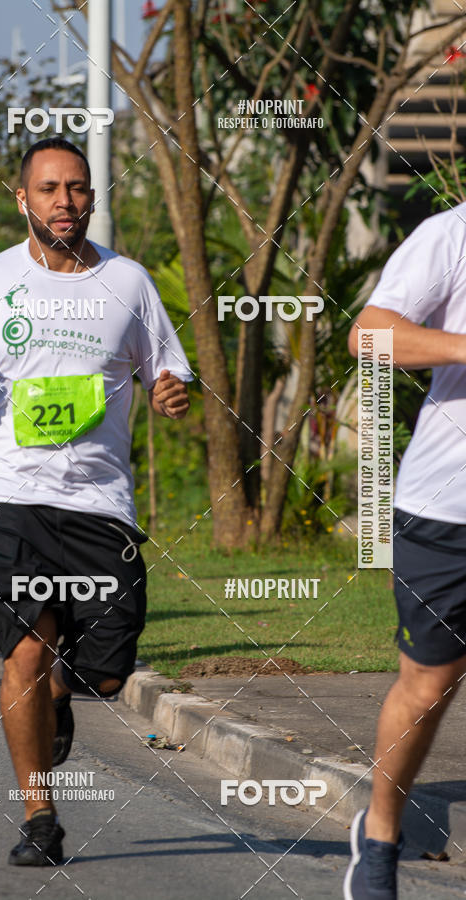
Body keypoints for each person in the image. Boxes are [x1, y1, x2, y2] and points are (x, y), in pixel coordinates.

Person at [0, 137, 192, 866]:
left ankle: (66, 696)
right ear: (23, 199)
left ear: (92, 198)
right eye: (48, 189)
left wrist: (171, 392)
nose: (63, 202)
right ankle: (39, 815)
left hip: (101, 501)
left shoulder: (128, 282)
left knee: (105, 669)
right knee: (26, 646)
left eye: (76, 189)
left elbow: (170, 369)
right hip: (7, 490)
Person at [345, 203, 466, 899]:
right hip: (445, 509)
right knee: (428, 687)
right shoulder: (450, 236)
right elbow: (369, 335)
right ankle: (382, 833)